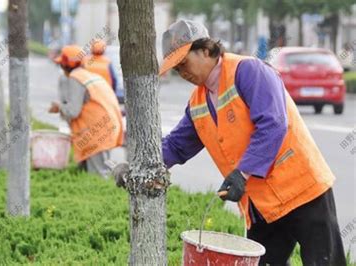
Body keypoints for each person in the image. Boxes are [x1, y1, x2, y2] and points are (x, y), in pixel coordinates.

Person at [114, 20, 346, 265]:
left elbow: (273, 124)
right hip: (261, 206)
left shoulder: (248, 70)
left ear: (205, 49)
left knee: (325, 261)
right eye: (177, 69)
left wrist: (242, 174)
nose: (183, 73)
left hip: (301, 189)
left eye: (184, 63)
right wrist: (135, 167)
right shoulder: (198, 102)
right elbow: (175, 146)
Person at [49, 45, 123, 178]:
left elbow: (73, 111)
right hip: (104, 127)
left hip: (96, 132)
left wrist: (58, 107)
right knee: (90, 172)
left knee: (99, 176)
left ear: (66, 65)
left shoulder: (75, 77)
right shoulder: (88, 75)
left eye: (61, 64)